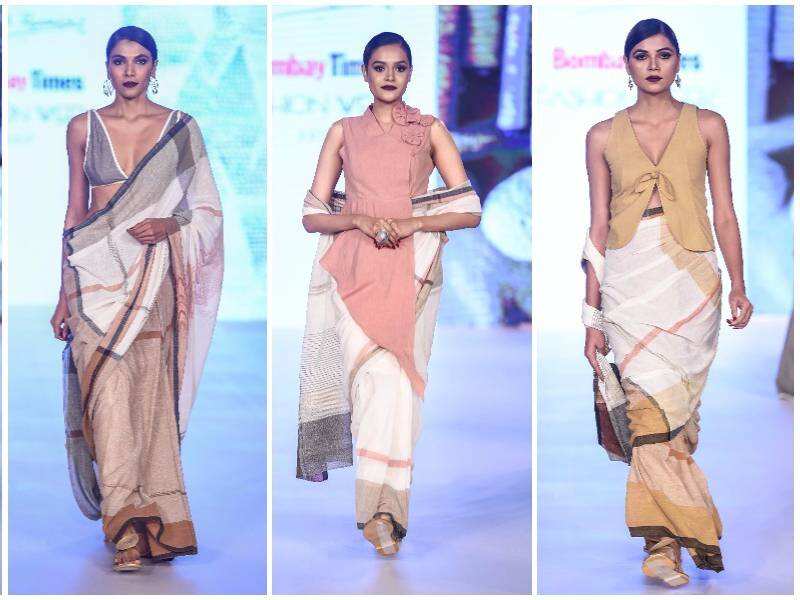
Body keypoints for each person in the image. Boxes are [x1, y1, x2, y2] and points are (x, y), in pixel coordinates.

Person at [295, 31, 482, 556]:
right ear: (364, 73)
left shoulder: (430, 129)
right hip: (354, 268)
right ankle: (376, 508)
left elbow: (469, 208)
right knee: (369, 387)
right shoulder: (343, 131)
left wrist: (410, 223)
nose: (389, 76)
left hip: (413, 271)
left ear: (411, 73)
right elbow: (312, 215)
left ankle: (386, 512)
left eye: (399, 67)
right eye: (379, 67)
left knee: (399, 388)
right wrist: (357, 219)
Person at [581, 18, 753, 586]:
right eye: (641, 55)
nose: (653, 65)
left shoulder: (708, 125)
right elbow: (598, 225)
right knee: (645, 412)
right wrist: (591, 314)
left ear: (678, 62)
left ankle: (669, 538)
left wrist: (739, 284)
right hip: (628, 280)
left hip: (691, 280)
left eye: (663, 54)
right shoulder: (601, 136)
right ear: (626, 65)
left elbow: (724, 210)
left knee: (677, 412)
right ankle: (662, 544)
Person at [51, 26, 223, 571]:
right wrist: (62, 293)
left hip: (153, 278)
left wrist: (169, 224)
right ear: (107, 67)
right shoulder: (83, 127)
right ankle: (124, 526)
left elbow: (206, 210)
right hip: (93, 281)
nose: (129, 71)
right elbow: (75, 212)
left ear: (154, 66)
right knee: (105, 399)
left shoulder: (180, 129)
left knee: (148, 401)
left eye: (140, 60)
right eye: (120, 61)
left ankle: (155, 521)